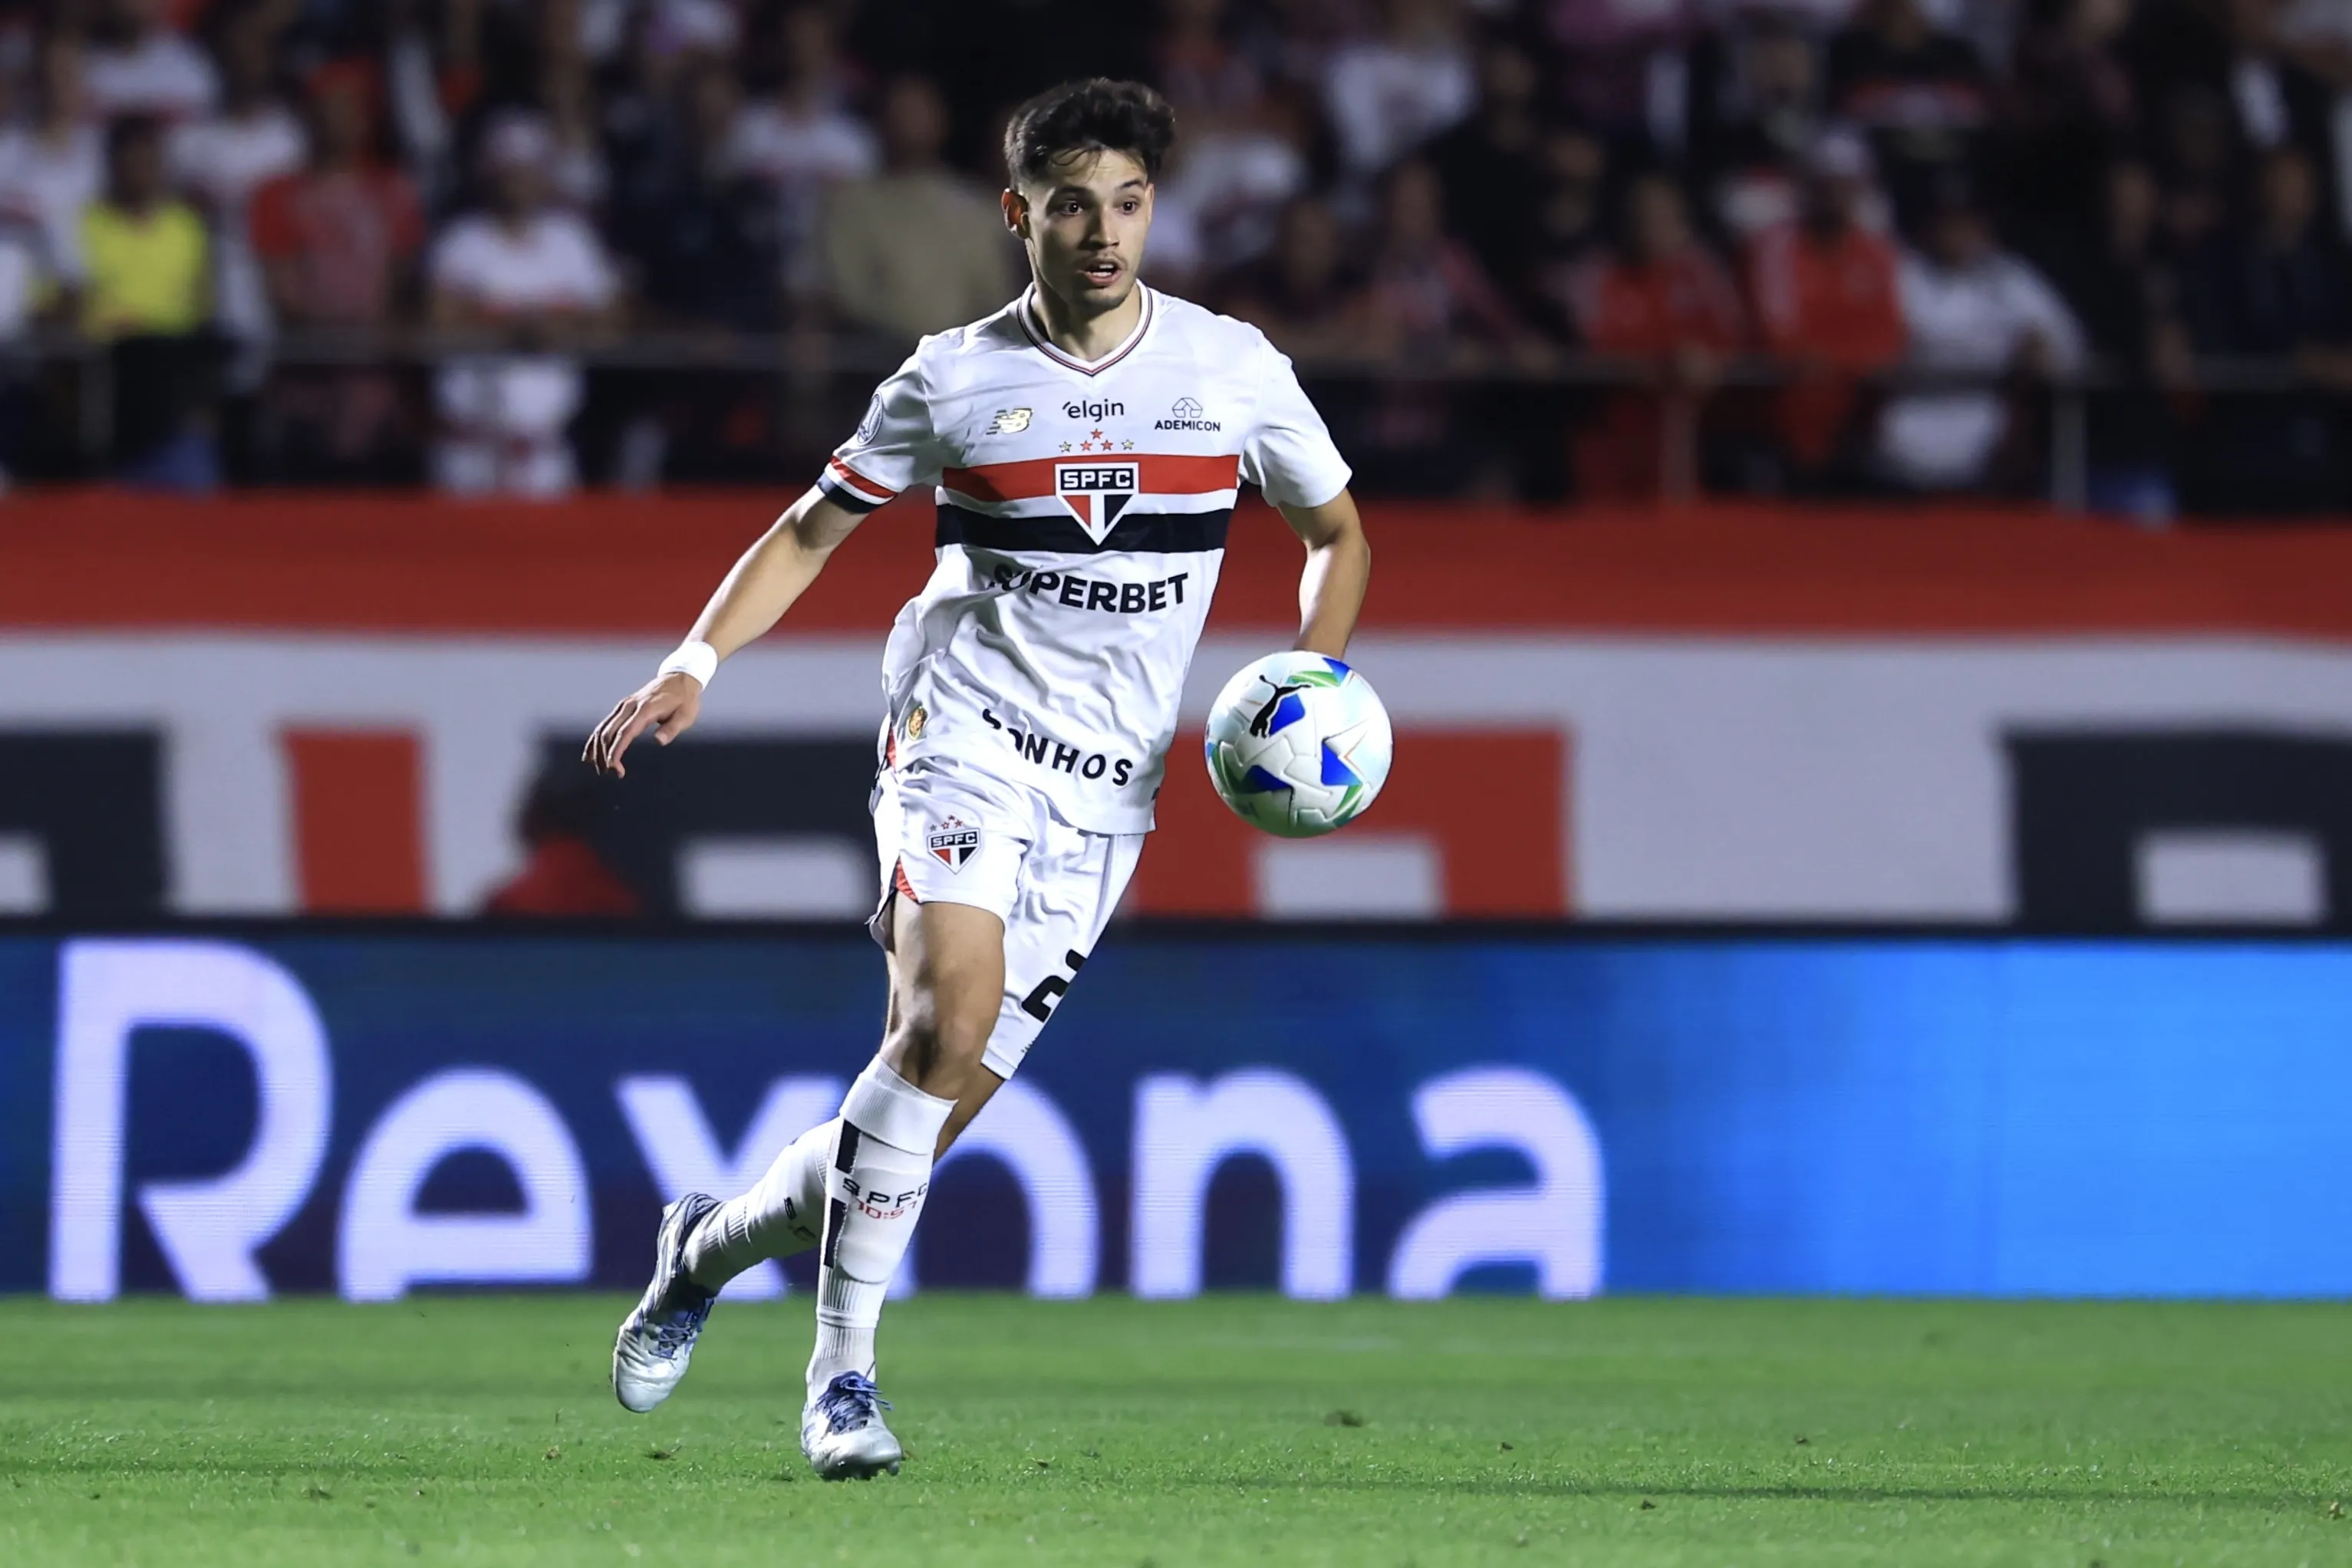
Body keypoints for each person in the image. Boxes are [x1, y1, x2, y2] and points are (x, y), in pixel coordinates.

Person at [585, 77, 1368, 1481]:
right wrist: (698, 657)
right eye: (1073, 204)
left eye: (1127, 201)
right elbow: (809, 532)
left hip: (1107, 793)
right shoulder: (951, 377)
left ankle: (699, 1250)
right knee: (941, 1019)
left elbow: (1336, 533)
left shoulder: (1231, 369)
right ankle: (842, 1383)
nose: (1104, 231)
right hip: (962, 735)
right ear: (1020, 215)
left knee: (917, 1109)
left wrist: (1312, 668)